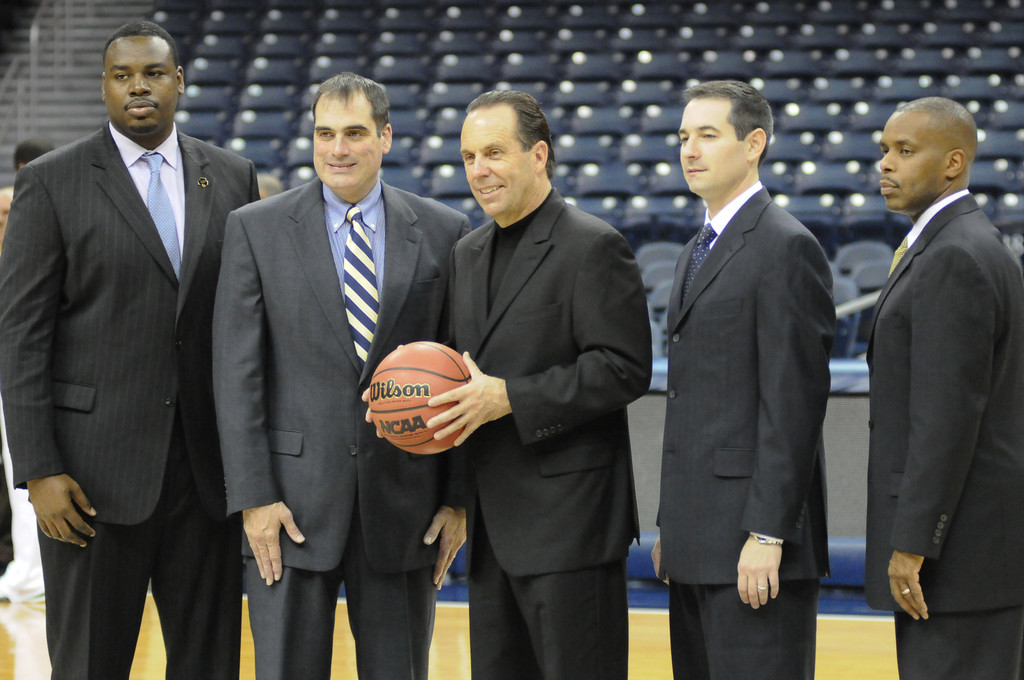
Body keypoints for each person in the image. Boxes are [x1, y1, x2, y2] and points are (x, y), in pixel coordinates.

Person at [0, 20, 258, 679]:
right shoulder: (52, 183)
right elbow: (23, 336)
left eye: (152, 73)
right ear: (105, 86)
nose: (137, 87)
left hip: (203, 475)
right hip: (88, 481)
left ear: (179, 81)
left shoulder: (231, 175)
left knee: (209, 664)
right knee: (91, 663)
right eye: (122, 76)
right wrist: (37, 470)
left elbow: (242, 322)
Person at [213, 72, 470, 680]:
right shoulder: (255, 227)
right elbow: (236, 372)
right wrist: (254, 498)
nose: (338, 149)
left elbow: (462, 375)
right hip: (290, 506)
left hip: (404, 506)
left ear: (385, 136)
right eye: (325, 133)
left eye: (355, 133)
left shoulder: (444, 231)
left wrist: (458, 498)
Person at [425, 90, 652, 680]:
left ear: (539, 155)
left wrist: (511, 398)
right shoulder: (466, 253)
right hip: (491, 527)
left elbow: (624, 367)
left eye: (494, 152)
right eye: (469, 156)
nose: (479, 170)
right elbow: (458, 377)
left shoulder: (593, 244)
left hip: (571, 528)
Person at [652, 80, 834, 680]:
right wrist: (673, 528)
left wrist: (768, 533)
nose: (689, 150)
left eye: (708, 135)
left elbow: (795, 404)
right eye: (683, 137)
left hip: (752, 546)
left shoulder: (786, 245)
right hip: (697, 542)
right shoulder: (693, 250)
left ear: (754, 143)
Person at [866, 97, 1024, 680]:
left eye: (906, 151)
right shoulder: (961, 243)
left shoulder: (954, 255)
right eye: (884, 149)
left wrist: (913, 544)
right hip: (977, 552)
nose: (886, 164)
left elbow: (947, 416)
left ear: (953, 162)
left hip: (958, 559)